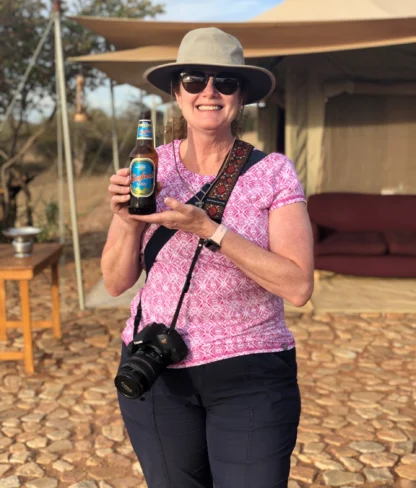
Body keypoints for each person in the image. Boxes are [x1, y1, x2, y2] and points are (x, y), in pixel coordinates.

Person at [101, 27, 314, 488]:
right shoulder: (150, 165)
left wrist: (210, 229)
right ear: (177, 93)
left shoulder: (272, 172)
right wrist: (124, 218)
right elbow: (116, 282)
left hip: (249, 371)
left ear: (242, 96)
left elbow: (298, 286)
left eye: (225, 81)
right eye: (195, 80)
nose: (209, 92)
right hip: (156, 367)